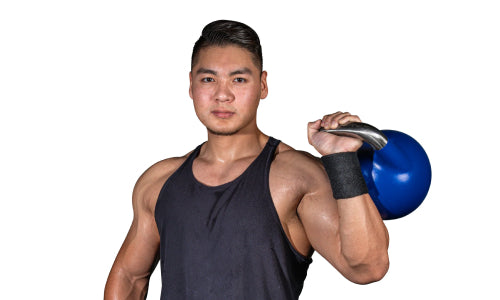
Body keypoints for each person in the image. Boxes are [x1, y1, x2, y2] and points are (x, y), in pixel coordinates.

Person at [104, 20, 389, 300]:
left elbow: (367, 267)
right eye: (208, 79)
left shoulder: (296, 175)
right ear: (191, 85)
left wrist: (341, 161)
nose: (222, 95)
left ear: (262, 85)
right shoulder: (159, 182)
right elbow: (130, 278)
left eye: (238, 79)